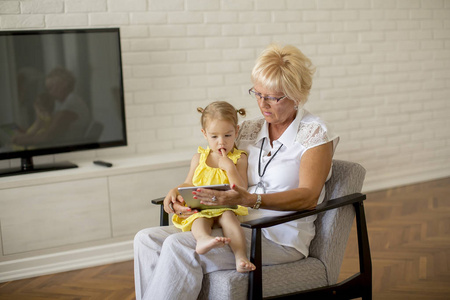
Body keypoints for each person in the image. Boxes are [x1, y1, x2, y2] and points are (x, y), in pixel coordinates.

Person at [134, 43, 339, 300]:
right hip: (235, 223)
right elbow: (218, 172)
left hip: (279, 236)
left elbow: (309, 197)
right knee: (146, 239)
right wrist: (185, 197)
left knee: (178, 245)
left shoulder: (315, 133)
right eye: (257, 93)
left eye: (273, 97)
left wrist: (249, 199)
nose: (262, 104)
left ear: (296, 96)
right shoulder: (250, 129)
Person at [166, 101, 255, 273]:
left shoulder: (239, 158)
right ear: (204, 134)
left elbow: (242, 188)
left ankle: (241, 257)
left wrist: (229, 167)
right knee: (199, 219)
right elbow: (188, 183)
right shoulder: (199, 158)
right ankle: (203, 239)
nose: (221, 142)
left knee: (229, 218)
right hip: (203, 207)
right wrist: (174, 190)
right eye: (214, 137)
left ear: (236, 131)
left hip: (226, 206)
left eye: (227, 136)